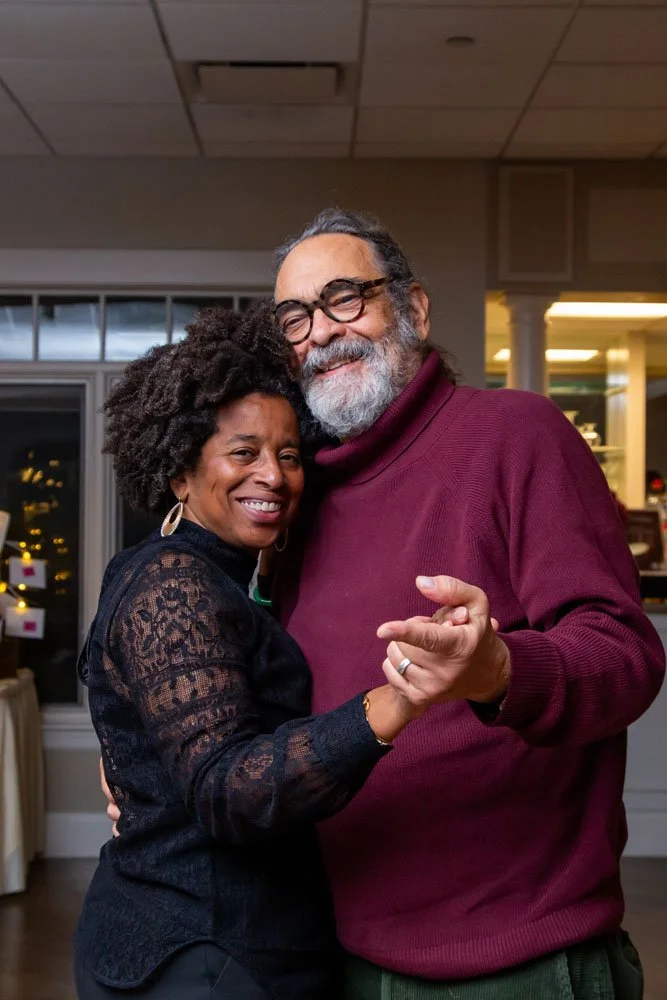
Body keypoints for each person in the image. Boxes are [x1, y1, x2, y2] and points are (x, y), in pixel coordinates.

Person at [105, 210, 664, 999]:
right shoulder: (295, 496)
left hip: (515, 960)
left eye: (344, 298)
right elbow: (238, 696)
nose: (320, 333)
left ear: (414, 310)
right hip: (336, 951)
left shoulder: (516, 436)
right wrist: (146, 760)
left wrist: (498, 669)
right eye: (294, 317)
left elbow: (626, 658)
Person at [75, 304, 445, 1000]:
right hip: (202, 954)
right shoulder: (172, 582)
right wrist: (394, 704)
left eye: (288, 454)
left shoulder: (206, 575)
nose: (273, 476)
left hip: (205, 941)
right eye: (242, 453)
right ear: (181, 474)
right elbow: (227, 790)